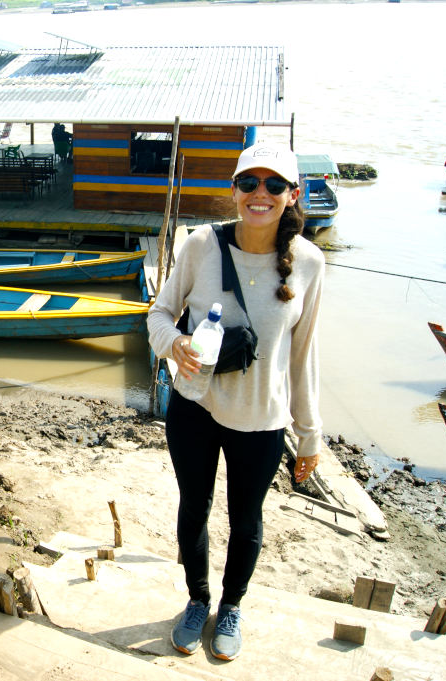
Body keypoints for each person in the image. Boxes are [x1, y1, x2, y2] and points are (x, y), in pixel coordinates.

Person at [147, 143, 325, 662]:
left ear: (292, 195)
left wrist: (310, 436)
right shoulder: (202, 244)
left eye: (274, 185)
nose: (260, 194)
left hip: (260, 419)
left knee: (246, 520)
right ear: (234, 191)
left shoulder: (309, 264)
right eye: (249, 183)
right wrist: (174, 344)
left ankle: (232, 606)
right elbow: (159, 313)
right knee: (193, 509)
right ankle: (198, 600)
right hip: (194, 407)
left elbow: (304, 356)